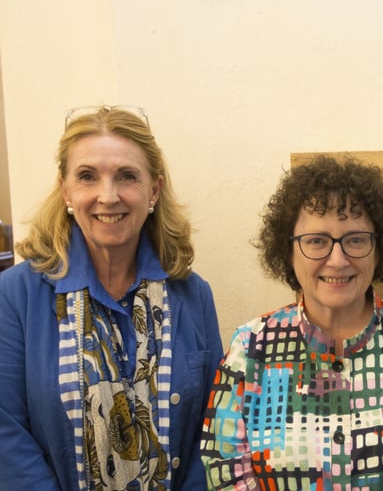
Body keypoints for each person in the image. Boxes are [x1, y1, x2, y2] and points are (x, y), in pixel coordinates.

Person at [200, 155, 383, 490]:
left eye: (355, 239)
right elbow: (225, 469)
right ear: (289, 250)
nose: (337, 260)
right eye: (317, 241)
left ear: (378, 247)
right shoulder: (250, 348)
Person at [0, 105, 224, 489]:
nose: (108, 195)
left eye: (126, 176)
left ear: (153, 189)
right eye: (87, 176)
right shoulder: (16, 294)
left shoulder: (192, 293)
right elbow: (6, 432)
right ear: (66, 189)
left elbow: (216, 424)